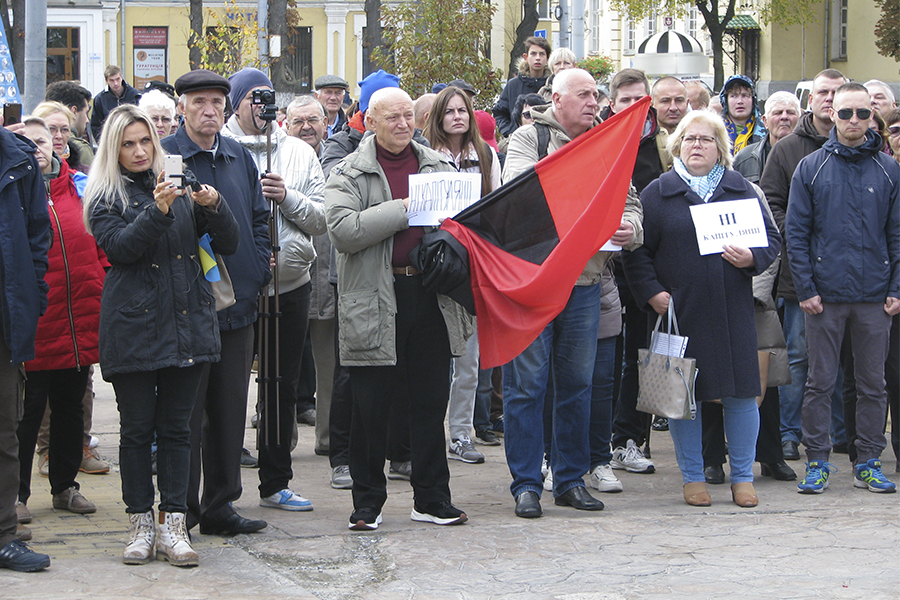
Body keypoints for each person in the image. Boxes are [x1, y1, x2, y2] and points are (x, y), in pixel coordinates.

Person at [85, 103, 240, 566]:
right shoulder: (103, 196)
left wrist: (215, 206)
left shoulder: (181, 181)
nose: (138, 151)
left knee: (177, 430)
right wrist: (158, 210)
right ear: (113, 149)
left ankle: (175, 524)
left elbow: (228, 244)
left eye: (145, 141)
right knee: (135, 431)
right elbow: (120, 249)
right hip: (133, 325)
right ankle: (140, 524)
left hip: (186, 320)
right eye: (127, 143)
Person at [325, 87, 472, 530]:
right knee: (371, 407)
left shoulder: (437, 165)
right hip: (373, 299)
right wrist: (405, 209)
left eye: (409, 116)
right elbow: (343, 231)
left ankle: (431, 499)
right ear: (369, 122)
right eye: (393, 117)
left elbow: (463, 223)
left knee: (430, 403)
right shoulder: (348, 171)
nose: (404, 125)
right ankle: (367, 504)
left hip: (429, 296)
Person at [501, 68, 642, 518]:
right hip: (536, 283)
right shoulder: (528, 139)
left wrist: (629, 227)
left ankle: (568, 481)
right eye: (583, 94)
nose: (592, 101)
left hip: (585, 284)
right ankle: (526, 483)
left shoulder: (610, 141)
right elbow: (521, 195)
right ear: (557, 99)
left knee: (578, 386)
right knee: (527, 386)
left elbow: (632, 201)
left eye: (595, 95)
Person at [624, 110, 780, 508]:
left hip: (733, 315)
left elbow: (772, 243)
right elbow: (637, 253)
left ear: (720, 149)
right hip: (680, 315)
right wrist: (652, 293)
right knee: (682, 398)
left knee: (742, 396)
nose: (697, 145)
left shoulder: (741, 188)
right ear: (677, 145)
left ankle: (743, 477)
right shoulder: (658, 192)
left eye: (706, 140)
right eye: (690, 139)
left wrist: (752, 258)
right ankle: (693, 477)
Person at [158, 70, 272, 536]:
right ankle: (180, 509)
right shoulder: (164, 156)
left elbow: (259, 220)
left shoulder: (238, 157)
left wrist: (259, 265)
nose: (209, 110)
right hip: (185, 308)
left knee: (229, 411)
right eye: (199, 101)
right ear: (181, 107)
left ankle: (221, 505)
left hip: (238, 304)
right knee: (185, 414)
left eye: (216, 103)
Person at [786, 82, 899, 494]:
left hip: (874, 297)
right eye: (847, 113)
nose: (855, 121)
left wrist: (897, 288)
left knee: (873, 384)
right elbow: (795, 234)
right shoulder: (811, 166)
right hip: (825, 298)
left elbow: (898, 234)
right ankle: (817, 461)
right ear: (831, 114)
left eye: (863, 114)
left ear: (874, 116)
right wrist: (806, 288)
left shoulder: (889, 169)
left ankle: (868, 460)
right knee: (821, 381)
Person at [221, 67, 326, 512]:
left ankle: (276, 480)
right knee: (226, 389)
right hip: (235, 291)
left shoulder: (299, 154)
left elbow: (322, 219)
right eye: (253, 98)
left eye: (269, 98)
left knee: (280, 385)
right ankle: (221, 487)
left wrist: (288, 198)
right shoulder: (220, 151)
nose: (262, 107)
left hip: (291, 285)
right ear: (237, 103)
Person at [15, 117, 106, 526]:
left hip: (79, 321)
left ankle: (65, 487)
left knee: (72, 410)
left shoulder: (79, 188)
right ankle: (15, 495)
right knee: (26, 414)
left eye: (43, 139)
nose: (37, 147)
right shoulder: (11, 192)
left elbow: (100, 247)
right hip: (35, 325)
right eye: (26, 141)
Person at [760, 69, 847, 463]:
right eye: (823, 92)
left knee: (845, 359)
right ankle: (790, 433)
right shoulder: (787, 149)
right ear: (810, 99)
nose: (830, 99)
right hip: (800, 273)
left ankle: (843, 434)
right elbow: (771, 204)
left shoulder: (864, 148)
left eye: (837, 93)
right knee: (797, 355)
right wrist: (800, 239)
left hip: (852, 277)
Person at [422, 85, 501, 466]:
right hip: (433, 264)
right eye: (449, 111)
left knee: (469, 360)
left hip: (471, 266)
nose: (457, 116)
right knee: (432, 359)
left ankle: (460, 432)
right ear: (438, 117)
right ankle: (422, 433)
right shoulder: (423, 155)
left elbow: (498, 207)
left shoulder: (486, 156)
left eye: (462, 110)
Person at [0, 119, 52, 573]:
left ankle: (4, 536)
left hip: (6, 314)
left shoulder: (18, 159)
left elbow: (39, 235)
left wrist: (31, 295)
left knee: (5, 431)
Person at [492, 36, 552, 137]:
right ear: (526, 57)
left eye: (542, 54)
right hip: (518, 141)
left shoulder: (553, 85)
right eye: (533, 53)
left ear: (547, 58)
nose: (537, 58)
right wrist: (510, 132)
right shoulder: (513, 85)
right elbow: (499, 112)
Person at [45, 81, 94, 168]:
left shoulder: (34, 148)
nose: (87, 120)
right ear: (74, 111)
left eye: (64, 130)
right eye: (86, 113)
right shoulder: (81, 149)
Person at [32, 102, 87, 176]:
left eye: (64, 129)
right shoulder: (24, 172)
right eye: (51, 129)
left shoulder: (84, 174)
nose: (59, 136)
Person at [90, 65, 141, 141]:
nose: (116, 83)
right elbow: (96, 125)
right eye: (111, 80)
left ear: (122, 77)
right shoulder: (100, 99)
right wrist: (102, 143)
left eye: (118, 79)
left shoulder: (136, 95)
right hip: (110, 141)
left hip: (133, 138)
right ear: (106, 80)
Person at [719, 75, 766, 155]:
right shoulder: (715, 130)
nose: (740, 101)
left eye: (745, 95)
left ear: (753, 100)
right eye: (733, 96)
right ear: (726, 100)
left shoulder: (766, 131)